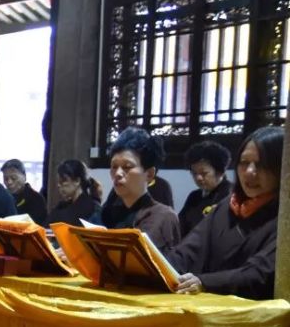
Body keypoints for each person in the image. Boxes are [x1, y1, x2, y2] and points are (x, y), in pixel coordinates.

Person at [167, 127, 282, 299]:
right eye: (244, 163)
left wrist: (204, 282)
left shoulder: (284, 218)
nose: (250, 172)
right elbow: (188, 250)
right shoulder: (228, 205)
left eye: (261, 164)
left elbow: (260, 274)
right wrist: (157, 266)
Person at [96, 127, 180, 250]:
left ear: (150, 174)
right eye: (114, 166)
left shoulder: (163, 217)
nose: (118, 173)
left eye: (127, 166)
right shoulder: (107, 212)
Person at [177, 140, 232, 237]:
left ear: (220, 171)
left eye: (204, 173)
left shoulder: (231, 194)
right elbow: (180, 227)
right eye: (194, 173)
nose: (198, 178)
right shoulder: (194, 196)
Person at [47, 159, 102, 227]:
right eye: (58, 182)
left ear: (77, 181)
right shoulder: (61, 206)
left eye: (64, 180)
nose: (59, 185)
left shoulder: (92, 208)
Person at [0, 158, 46, 225]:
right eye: (6, 179)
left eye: (13, 178)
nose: (9, 182)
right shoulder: (3, 197)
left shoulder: (36, 199)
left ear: (24, 176)